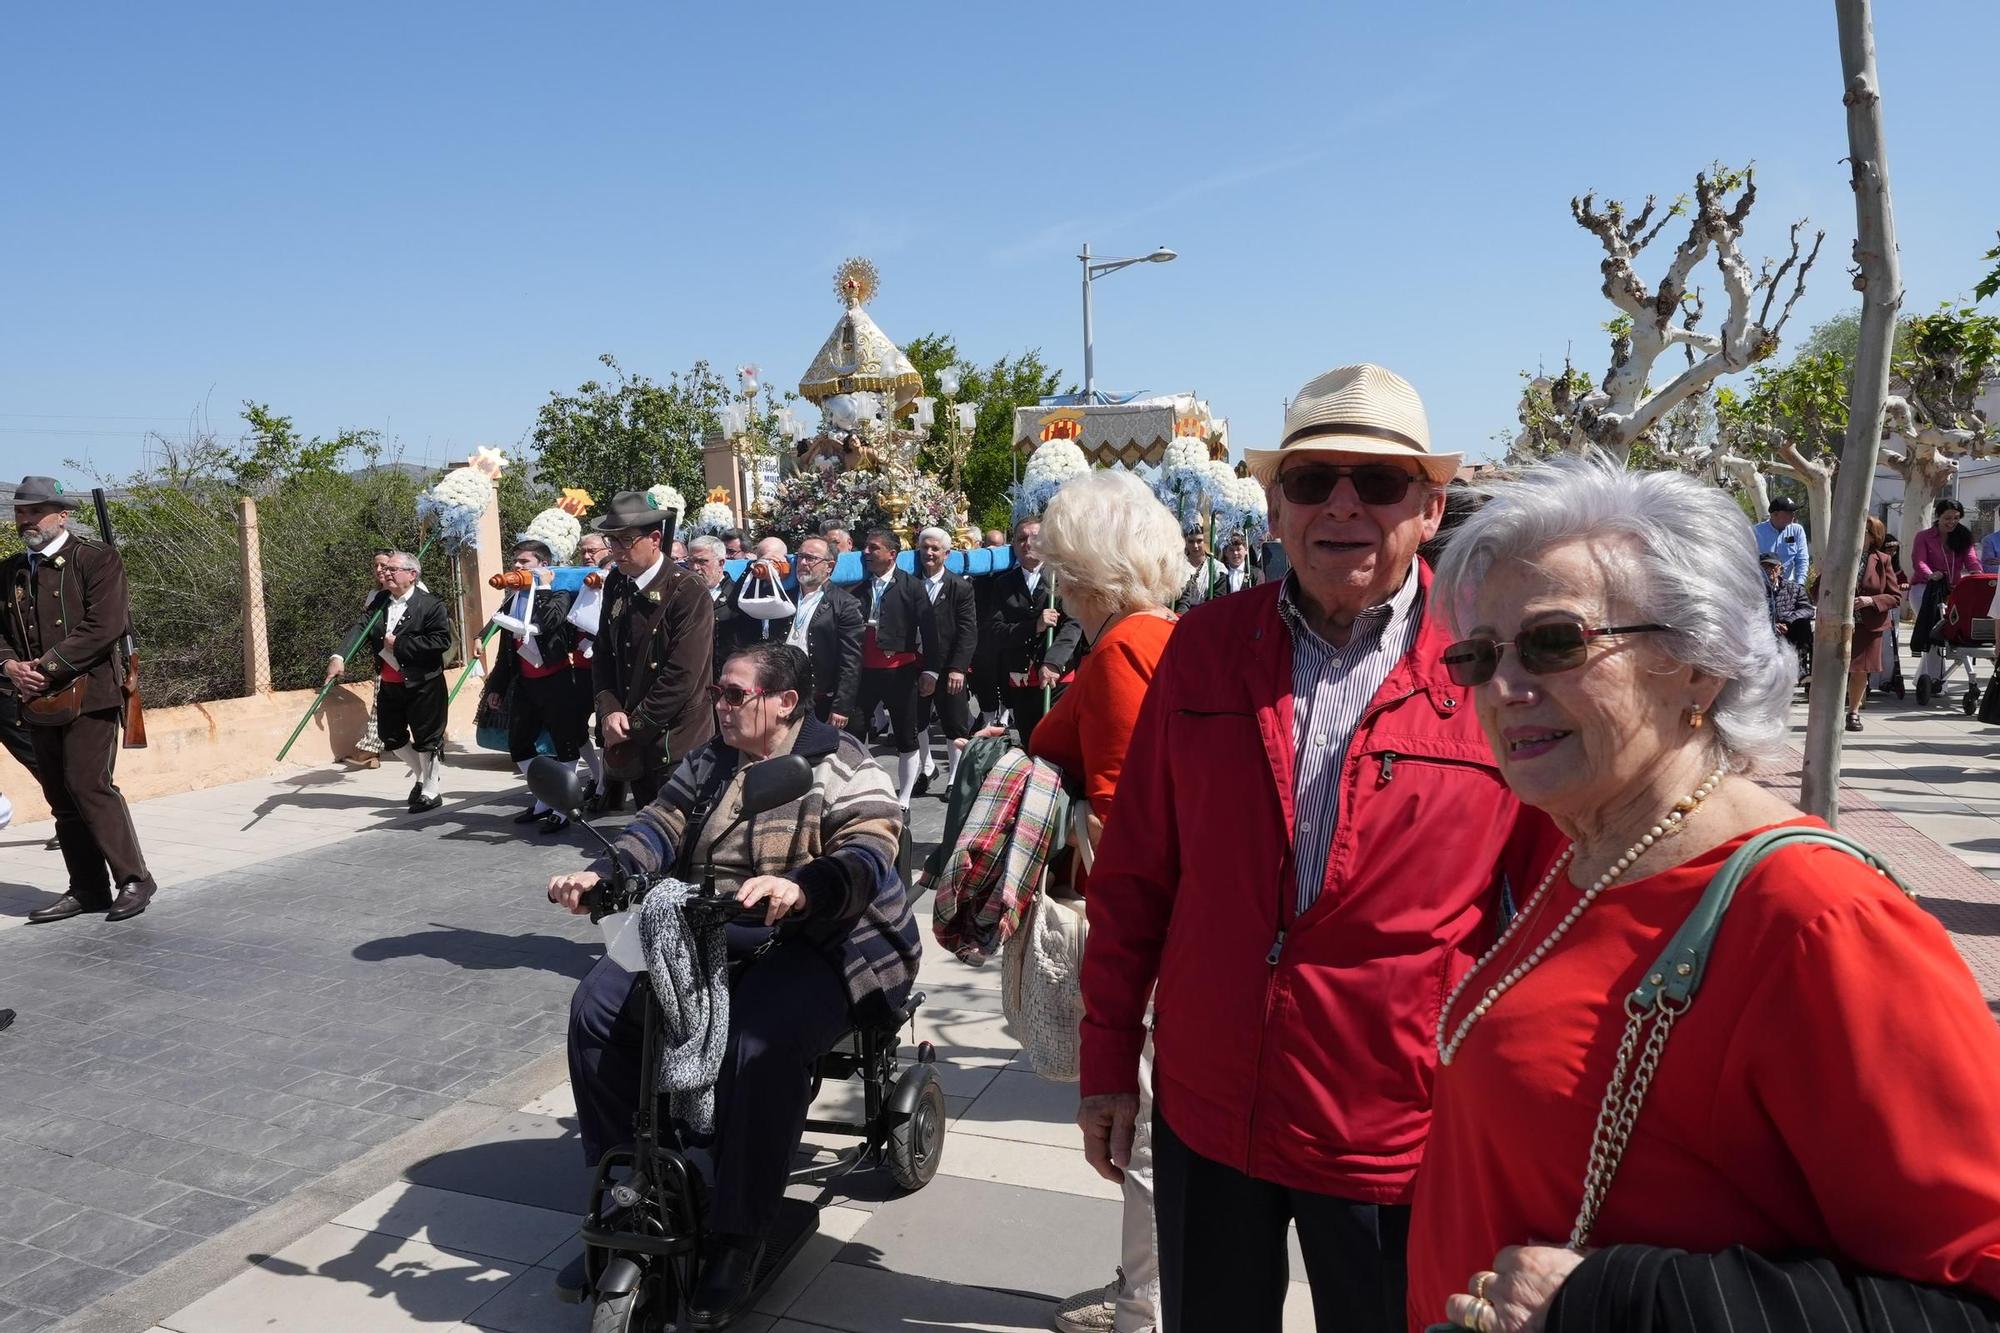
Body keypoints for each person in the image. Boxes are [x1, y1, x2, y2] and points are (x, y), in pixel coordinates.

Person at [1409, 458, 2000, 1332]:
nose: (1504, 686)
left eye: (1554, 641)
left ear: (1697, 664)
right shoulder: (1587, 855)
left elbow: (1975, 1295)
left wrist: (1617, 1302)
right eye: (1478, 654)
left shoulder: (1819, 920)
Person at [1076, 366, 1549, 1333]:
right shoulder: (1201, 649)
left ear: (1429, 506)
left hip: (1391, 1126)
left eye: (1377, 482)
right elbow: (1135, 879)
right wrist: (1107, 1058)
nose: (1343, 504)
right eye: (1312, 478)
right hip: (1210, 1110)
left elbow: (1551, 919)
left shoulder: (1493, 671)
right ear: (1278, 502)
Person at [552, 641, 921, 1325]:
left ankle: (739, 1233)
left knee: (757, 1040)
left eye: (733, 693)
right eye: (717, 692)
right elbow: (657, 825)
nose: (718, 704)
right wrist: (602, 878)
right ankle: (634, 1185)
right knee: (596, 1009)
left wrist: (803, 885)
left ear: (784, 702)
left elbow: (870, 850)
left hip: (828, 933)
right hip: (714, 923)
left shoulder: (842, 763)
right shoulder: (711, 758)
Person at [1019, 471, 1182, 1333]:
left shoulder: (1121, 648)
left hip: (1144, 931)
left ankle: (1142, 1310)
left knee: (1146, 1129)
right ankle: (1143, 1292)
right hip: (1173, 921)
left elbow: (1123, 819)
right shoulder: (1161, 635)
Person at [1, 476, 158, 923]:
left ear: (62, 514)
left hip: (91, 695)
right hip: (34, 698)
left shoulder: (97, 558)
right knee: (61, 797)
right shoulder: (9, 569)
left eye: (35, 511)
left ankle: (134, 879)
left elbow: (105, 625)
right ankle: (87, 888)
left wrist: (44, 668)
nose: (25, 519)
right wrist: (12, 668)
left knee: (90, 787)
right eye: (20, 511)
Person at [589, 492, 715, 808]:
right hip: (634, 740)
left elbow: (682, 676)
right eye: (611, 541)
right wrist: (609, 709)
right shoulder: (617, 581)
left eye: (625, 541)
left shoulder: (687, 589)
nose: (616, 550)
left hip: (677, 742)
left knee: (678, 836)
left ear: (655, 538)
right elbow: (603, 651)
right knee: (647, 829)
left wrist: (633, 725)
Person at [327, 549, 452, 815]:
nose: (387, 573)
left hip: (424, 683)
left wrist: (402, 643)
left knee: (427, 738)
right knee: (390, 736)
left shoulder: (431, 605)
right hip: (390, 683)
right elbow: (360, 629)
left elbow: (441, 641)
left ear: (412, 574)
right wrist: (340, 656)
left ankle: (431, 790)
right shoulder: (381, 601)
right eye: (386, 569)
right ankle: (423, 775)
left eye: (394, 569)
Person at [485, 539, 586, 834]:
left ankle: (564, 806)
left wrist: (541, 588)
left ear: (543, 565)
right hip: (525, 684)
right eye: (515, 561)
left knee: (565, 743)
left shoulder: (559, 594)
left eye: (524, 562)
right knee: (519, 746)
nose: (517, 567)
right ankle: (545, 796)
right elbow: (506, 650)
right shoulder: (512, 599)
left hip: (556, 681)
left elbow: (548, 622)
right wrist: (497, 687)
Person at [848, 529, 934, 808]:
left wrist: (931, 671)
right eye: (866, 548)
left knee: (906, 734)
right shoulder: (859, 588)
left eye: (873, 548)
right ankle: (858, 788)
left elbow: (931, 631)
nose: (866, 553)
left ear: (892, 554)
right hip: (865, 672)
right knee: (855, 729)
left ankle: (905, 798)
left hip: (900, 672)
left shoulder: (912, 586)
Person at [988, 518, 1082, 748]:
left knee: (1058, 742)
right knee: (1031, 742)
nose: (1027, 543)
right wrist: (1034, 626)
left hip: (1057, 677)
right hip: (1021, 679)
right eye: (1021, 539)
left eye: (1034, 538)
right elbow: (995, 631)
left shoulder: (1062, 579)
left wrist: (1053, 662)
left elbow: (1074, 624)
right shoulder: (1002, 584)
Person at [914, 526, 980, 796]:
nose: (929, 553)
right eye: (924, 548)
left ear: (947, 553)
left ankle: (954, 777)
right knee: (916, 721)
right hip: (916, 665)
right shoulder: (910, 582)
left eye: (935, 549)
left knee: (953, 723)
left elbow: (968, 631)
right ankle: (927, 767)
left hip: (948, 665)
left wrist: (957, 668)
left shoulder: (960, 587)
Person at [773, 536, 862, 726]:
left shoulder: (845, 604)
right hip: (782, 690)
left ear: (829, 566)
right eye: (800, 557)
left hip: (819, 695)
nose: (803, 563)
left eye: (810, 558)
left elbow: (850, 660)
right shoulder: (783, 598)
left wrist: (841, 706)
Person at [1758, 551, 1813, 680]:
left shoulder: (1794, 588)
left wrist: (1788, 622)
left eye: (1773, 567)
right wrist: (1772, 625)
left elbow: (1807, 609)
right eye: (1765, 567)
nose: (1769, 570)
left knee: (1803, 624)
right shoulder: (1754, 590)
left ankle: (1800, 667)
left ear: (1780, 570)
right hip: (1764, 629)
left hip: (1790, 628)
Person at [1750, 494, 1810, 585]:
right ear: (1775, 514)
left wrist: (1800, 584)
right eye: (1788, 512)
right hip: (1761, 587)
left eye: (1793, 512)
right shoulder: (1755, 532)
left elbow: (1802, 559)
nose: (1793, 515)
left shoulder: (1797, 530)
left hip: (1788, 587)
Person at [1172, 530, 1224, 612]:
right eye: (1191, 541)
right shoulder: (1178, 566)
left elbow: (1218, 600)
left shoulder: (1216, 568)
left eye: (1199, 541)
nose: (1195, 546)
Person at [1210, 533, 1264, 598]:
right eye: (1231, 550)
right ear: (1226, 553)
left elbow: (1259, 596)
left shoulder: (1256, 574)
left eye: (1238, 549)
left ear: (1246, 550)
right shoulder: (1220, 573)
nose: (1235, 553)